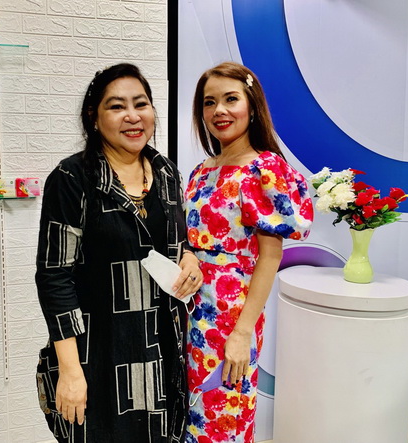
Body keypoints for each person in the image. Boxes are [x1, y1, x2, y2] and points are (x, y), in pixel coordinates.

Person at [35, 63, 203, 443]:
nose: (132, 116)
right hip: (98, 355)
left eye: (141, 104)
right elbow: (54, 276)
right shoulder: (73, 179)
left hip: (162, 352)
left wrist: (189, 257)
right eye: (116, 106)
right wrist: (70, 371)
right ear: (94, 118)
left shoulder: (166, 173)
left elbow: (177, 240)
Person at [183, 62, 314, 442]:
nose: (219, 111)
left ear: (252, 106)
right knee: (192, 418)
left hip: (231, 317)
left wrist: (243, 333)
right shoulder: (201, 171)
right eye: (209, 102)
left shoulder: (264, 169)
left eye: (231, 99)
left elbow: (270, 256)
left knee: (223, 418)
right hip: (189, 312)